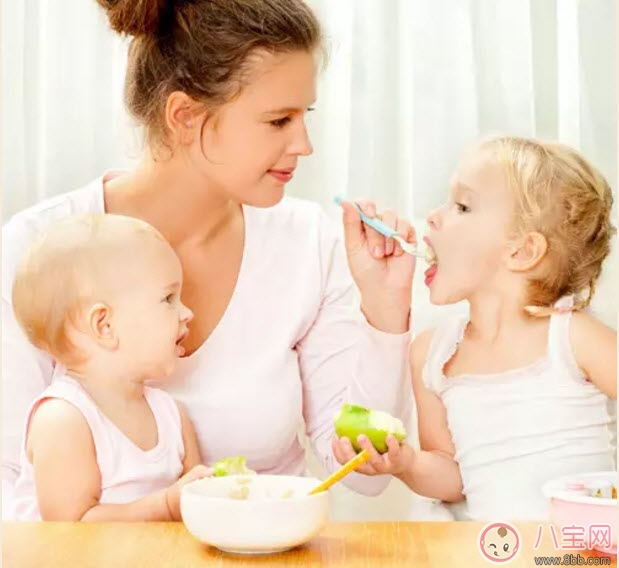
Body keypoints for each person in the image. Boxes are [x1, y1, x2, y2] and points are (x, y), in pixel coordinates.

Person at [2, 0, 418, 518]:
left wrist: (384, 308)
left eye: (304, 116)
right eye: (278, 120)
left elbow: (365, 476)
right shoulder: (38, 249)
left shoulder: (309, 241)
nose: (304, 144)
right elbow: (12, 492)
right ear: (185, 116)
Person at [333, 136, 617, 521]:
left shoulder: (573, 338)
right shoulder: (432, 354)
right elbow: (453, 477)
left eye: (463, 206)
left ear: (521, 251)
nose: (433, 216)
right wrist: (407, 463)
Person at [11, 214, 211, 521]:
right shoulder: (64, 419)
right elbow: (71, 527)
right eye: (168, 298)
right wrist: (167, 505)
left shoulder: (172, 415)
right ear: (104, 325)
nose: (187, 313)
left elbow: (197, 503)